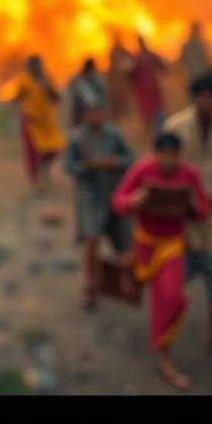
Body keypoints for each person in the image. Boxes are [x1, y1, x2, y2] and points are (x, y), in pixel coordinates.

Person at [112, 131, 212, 390]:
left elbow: (204, 210)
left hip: (171, 245)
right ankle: (127, 270)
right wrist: (135, 199)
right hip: (145, 242)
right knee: (139, 288)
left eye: (173, 155)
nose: (168, 161)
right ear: (155, 153)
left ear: (179, 155)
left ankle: (163, 354)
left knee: (171, 298)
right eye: (163, 155)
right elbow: (119, 201)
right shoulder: (142, 169)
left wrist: (192, 203)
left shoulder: (189, 174)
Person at [163, 72, 212, 362]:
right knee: (173, 279)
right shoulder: (176, 126)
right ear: (193, 97)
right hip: (180, 217)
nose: (207, 102)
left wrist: (207, 198)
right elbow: (166, 168)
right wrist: (186, 200)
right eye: (202, 96)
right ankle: (165, 337)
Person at [64, 96, 135, 310]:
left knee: (125, 242)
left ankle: (125, 281)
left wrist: (112, 162)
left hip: (113, 192)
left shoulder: (113, 135)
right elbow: (69, 166)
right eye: (90, 112)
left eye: (98, 111)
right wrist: (86, 166)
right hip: (90, 196)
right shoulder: (77, 138)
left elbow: (130, 158)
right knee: (91, 239)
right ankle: (90, 287)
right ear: (84, 115)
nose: (94, 116)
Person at [13, 54, 64, 194]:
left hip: (46, 121)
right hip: (31, 122)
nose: (35, 69)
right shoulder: (24, 80)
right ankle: (36, 183)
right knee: (32, 153)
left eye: (38, 65)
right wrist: (24, 110)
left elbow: (56, 98)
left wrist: (47, 88)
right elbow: (17, 99)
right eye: (32, 66)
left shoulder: (46, 78)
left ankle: (45, 168)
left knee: (55, 147)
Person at [129, 35, 169, 137]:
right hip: (144, 94)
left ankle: (160, 137)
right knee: (148, 119)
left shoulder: (149, 56)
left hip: (153, 92)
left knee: (159, 119)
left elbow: (163, 67)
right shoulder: (136, 58)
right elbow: (129, 74)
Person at [63, 57, 108, 129]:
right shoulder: (77, 80)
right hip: (81, 113)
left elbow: (102, 96)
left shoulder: (96, 80)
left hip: (95, 112)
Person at [107, 33, 133, 122]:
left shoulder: (122, 50)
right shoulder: (114, 51)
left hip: (123, 82)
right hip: (115, 84)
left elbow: (130, 60)